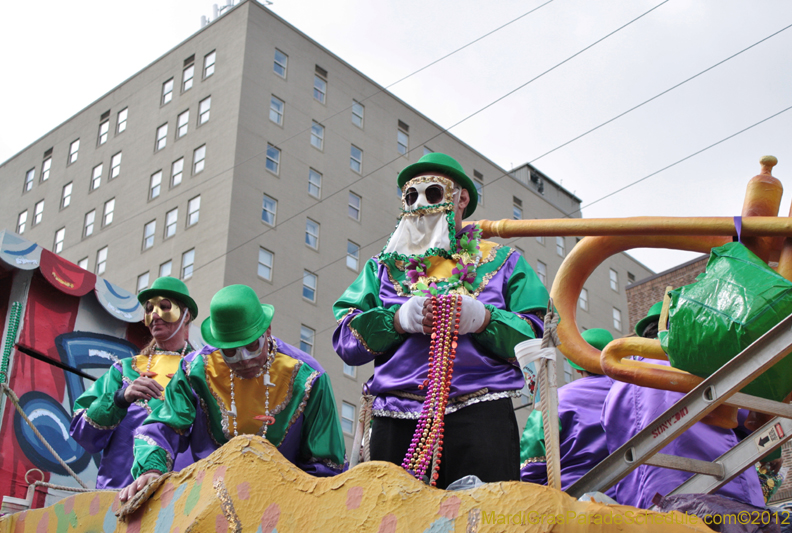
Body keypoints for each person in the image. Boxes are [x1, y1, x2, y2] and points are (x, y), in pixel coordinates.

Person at [332, 152, 549, 488]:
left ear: (461, 197)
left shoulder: (503, 262)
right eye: (411, 196)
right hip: (396, 420)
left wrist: (484, 319)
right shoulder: (382, 268)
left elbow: (538, 338)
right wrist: (398, 319)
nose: (420, 205)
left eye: (433, 193)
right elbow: (347, 339)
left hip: (480, 415)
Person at [119, 285, 346, 501]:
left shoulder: (308, 377)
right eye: (231, 351)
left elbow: (324, 462)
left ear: (267, 331)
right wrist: (151, 469)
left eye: (252, 346)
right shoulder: (194, 370)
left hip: (283, 505)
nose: (244, 359)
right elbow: (165, 424)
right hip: (205, 496)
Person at [602, 301, 764, 508]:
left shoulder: (616, 387)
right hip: (717, 492)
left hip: (644, 506)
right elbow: (749, 416)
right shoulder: (695, 361)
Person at [70, 276, 197, 489]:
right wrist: (121, 398)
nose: (155, 315)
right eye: (149, 309)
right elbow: (83, 433)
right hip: (119, 495)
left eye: (165, 307)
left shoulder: (202, 370)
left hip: (183, 496)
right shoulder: (124, 370)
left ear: (186, 316)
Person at [520, 328, 616, 495]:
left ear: (577, 368)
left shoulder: (557, 399)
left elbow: (531, 466)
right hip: (630, 500)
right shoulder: (633, 392)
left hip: (571, 500)